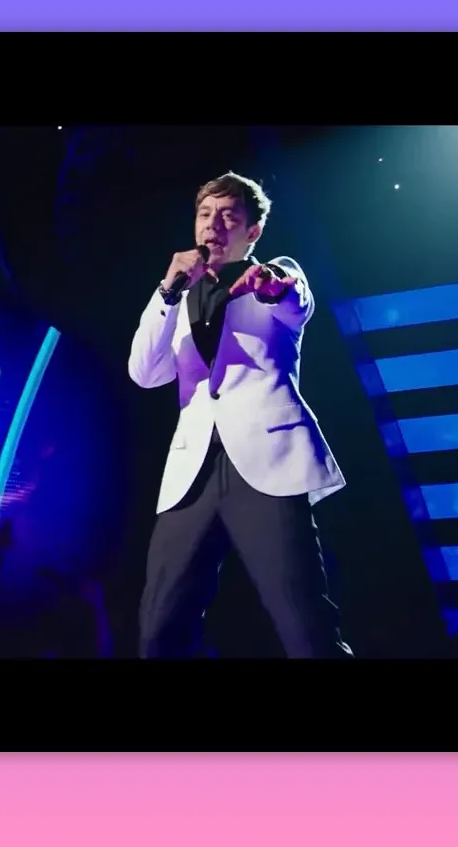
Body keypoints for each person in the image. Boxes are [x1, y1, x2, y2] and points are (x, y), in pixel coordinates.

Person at [128, 171, 351, 658]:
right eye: (205, 214)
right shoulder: (177, 295)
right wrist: (167, 291)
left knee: (306, 628)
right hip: (193, 471)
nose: (214, 225)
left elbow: (294, 301)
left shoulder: (275, 272)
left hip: (266, 463)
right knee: (158, 628)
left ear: (252, 231)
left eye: (229, 216)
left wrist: (272, 289)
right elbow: (145, 373)